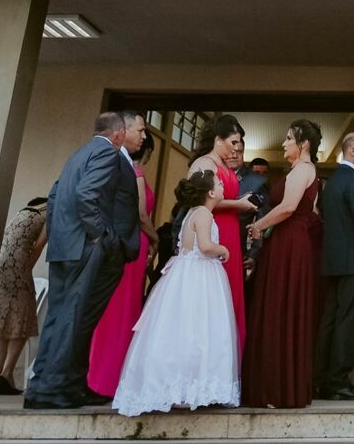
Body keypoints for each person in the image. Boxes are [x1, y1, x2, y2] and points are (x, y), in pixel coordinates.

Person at [25, 111, 144, 410]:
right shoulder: (109, 154)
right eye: (140, 130)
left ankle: (62, 384)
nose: (144, 136)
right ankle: (52, 390)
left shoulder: (79, 154)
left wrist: (60, 234)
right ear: (120, 132)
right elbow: (86, 194)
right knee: (74, 317)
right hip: (89, 248)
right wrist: (102, 237)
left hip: (67, 245)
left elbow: (54, 196)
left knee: (65, 316)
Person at [110, 170, 239, 415]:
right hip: (200, 276)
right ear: (211, 192)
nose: (223, 186)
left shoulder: (191, 212)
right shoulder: (203, 214)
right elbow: (205, 246)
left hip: (184, 274)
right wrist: (222, 248)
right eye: (220, 183)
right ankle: (194, 385)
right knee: (200, 329)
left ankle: (179, 384)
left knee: (179, 328)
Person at [243, 119, 325, 407]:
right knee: (281, 308)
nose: (284, 144)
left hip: (289, 244)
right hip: (288, 243)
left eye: (289, 138)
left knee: (281, 308)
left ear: (303, 144)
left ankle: (276, 389)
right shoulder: (303, 171)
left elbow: (289, 207)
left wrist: (259, 226)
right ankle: (278, 385)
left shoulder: (303, 170)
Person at [88, 128, 158, 398]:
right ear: (148, 151)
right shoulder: (137, 175)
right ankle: (108, 376)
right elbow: (141, 214)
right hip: (135, 242)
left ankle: (106, 375)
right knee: (123, 309)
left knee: (122, 309)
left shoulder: (128, 172)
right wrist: (154, 239)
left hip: (131, 242)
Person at [315, 131, 354, 400]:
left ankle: (319, 377)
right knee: (348, 322)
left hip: (332, 260)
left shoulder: (330, 182)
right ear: (352, 151)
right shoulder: (353, 180)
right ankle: (338, 380)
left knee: (330, 320)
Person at [187, 115, 254, 350]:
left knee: (229, 293)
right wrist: (239, 204)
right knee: (212, 297)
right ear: (218, 140)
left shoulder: (224, 166)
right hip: (214, 231)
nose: (236, 149)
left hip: (230, 232)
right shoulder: (204, 164)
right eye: (233, 142)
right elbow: (199, 200)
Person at [0, 197, 49, 396]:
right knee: (23, 319)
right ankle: (7, 373)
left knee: (8, 320)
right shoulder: (48, 217)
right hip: (16, 267)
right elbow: (38, 246)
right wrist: (26, 269)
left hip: (0, 266)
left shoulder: (23, 213)